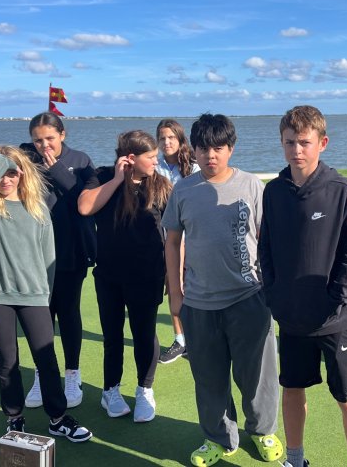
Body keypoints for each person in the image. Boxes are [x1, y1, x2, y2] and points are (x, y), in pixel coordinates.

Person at [162, 113, 284, 467]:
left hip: (249, 298)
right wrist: (176, 292)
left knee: (258, 377)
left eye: (218, 147)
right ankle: (218, 438)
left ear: (231, 148)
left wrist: (270, 291)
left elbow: (267, 241)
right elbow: (172, 242)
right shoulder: (183, 189)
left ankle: (262, 431)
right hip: (199, 304)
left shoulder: (251, 186)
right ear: (193, 150)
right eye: (202, 148)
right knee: (209, 378)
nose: (210, 155)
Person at [259, 105, 347, 467]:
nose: (296, 150)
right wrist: (273, 295)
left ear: (322, 143)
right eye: (289, 142)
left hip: (336, 321)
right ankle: (295, 459)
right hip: (291, 317)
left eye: (304, 143)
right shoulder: (273, 192)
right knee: (292, 389)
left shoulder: (341, 189)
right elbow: (267, 248)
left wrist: (337, 302)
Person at [0, 145, 92, 442]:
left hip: (34, 296)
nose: (6, 179)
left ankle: (58, 418)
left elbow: (48, 258)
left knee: (45, 358)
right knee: (7, 360)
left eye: (12, 173)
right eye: (1, 173)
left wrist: (44, 296)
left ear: (23, 175)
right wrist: (5, 158)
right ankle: (14, 418)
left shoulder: (38, 209)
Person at [78, 130, 170, 422]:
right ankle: (110, 390)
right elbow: (85, 207)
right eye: (151, 157)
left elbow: (174, 234)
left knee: (145, 335)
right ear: (131, 158)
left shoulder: (161, 185)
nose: (156, 161)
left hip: (148, 274)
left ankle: (145, 389)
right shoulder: (103, 176)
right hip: (109, 276)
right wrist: (118, 179)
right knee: (113, 336)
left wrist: (173, 273)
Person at [19, 112, 97, 409]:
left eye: (50, 138)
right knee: (41, 316)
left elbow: (84, 202)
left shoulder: (80, 159)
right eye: (38, 140)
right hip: (34, 251)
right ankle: (43, 374)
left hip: (70, 250)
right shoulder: (26, 156)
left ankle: (72, 374)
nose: (44, 146)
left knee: (68, 313)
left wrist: (59, 170)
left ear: (62, 135)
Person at [154, 118, 199, 365]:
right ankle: (180, 339)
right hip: (167, 236)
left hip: (193, 237)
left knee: (193, 286)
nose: (166, 142)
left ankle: (197, 337)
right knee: (173, 285)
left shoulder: (193, 167)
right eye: (162, 138)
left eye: (171, 137)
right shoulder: (155, 167)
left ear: (181, 139)